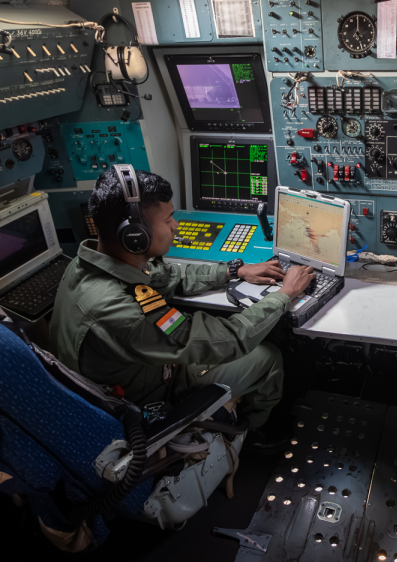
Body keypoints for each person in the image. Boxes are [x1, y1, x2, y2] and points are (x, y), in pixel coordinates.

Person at [52, 166, 315, 451]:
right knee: (268, 356)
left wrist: (234, 270)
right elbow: (228, 339)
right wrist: (285, 295)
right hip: (151, 399)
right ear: (135, 236)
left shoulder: (86, 265)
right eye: (168, 219)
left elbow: (164, 276)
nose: (176, 226)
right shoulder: (121, 313)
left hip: (134, 373)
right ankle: (251, 434)